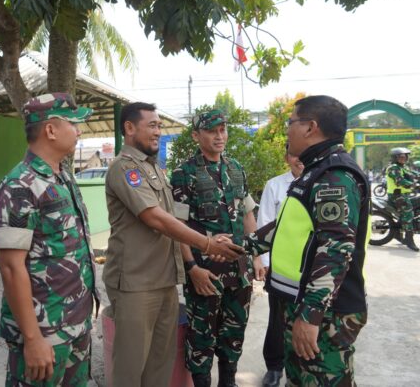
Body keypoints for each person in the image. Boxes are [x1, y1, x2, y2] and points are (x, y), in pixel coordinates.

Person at [102, 102, 245, 387]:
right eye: (152, 125)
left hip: (164, 280)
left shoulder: (153, 169)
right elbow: (156, 219)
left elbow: (175, 220)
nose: (158, 131)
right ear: (129, 128)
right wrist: (207, 245)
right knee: (130, 370)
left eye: (159, 125)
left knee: (159, 367)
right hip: (135, 283)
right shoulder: (125, 169)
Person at [246, 95, 370, 386]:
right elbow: (292, 228)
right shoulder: (315, 170)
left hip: (325, 314)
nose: (287, 130)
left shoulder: (334, 176)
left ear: (310, 127)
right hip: (301, 302)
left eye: (291, 123)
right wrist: (244, 246)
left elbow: (335, 249)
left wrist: (311, 316)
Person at [0, 93, 97, 386]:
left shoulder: (63, 178)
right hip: (44, 333)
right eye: (73, 124)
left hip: (75, 325)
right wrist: (32, 339)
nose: (79, 132)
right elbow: (10, 267)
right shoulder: (19, 184)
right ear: (50, 130)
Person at [170, 109, 260, 387]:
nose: (219, 136)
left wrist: (257, 256)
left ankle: (229, 382)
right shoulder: (184, 174)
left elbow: (247, 214)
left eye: (223, 129)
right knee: (202, 338)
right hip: (205, 274)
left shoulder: (236, 168)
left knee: (234, 333)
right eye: (212, 131)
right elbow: (177, 226)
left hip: (239, 272)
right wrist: (191, 268)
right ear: (197, 136)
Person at [256, 149, 304, 387]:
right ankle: (274, 368)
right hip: (280, 269)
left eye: (304, 154)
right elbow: (264, 223)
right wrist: (264, 263)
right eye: (295, 155)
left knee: (305, 322)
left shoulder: (319, 183)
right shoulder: (275, 186)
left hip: (310, 271)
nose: (299, 159)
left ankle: (300, 370)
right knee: (277, 321)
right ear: (286, 158)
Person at [386, 147, 420, 251]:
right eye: (401, 157)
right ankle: (409, 240)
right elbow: (399, 181)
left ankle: (397, 234)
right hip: (397, 196)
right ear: (395, 158)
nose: (403, 159)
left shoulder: (403, 167)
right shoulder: (393, 168)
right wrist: (413, 185)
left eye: (405, 157)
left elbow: (414, 174)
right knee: (408, 214)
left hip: (404, 194)